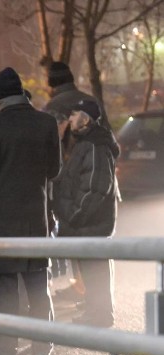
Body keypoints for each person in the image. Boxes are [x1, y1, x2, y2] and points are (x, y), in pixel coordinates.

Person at [0, 67, 62, 355]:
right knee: (38, 291)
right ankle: (41, 351)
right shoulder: (46, 123)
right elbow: (54, 170)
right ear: (22, 93)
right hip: (35, 220)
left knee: (5, 295)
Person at [51, 99, 119, 328]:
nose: (70, 119)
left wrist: (74, 215)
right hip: (88, 223)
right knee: (92, 271)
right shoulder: (87, 142)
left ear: (86, 118)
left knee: (95, 270)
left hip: (90, 223)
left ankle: (99, 314)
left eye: (74, 114)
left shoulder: (94, 145)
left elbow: (96, 187)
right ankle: (95, 309)